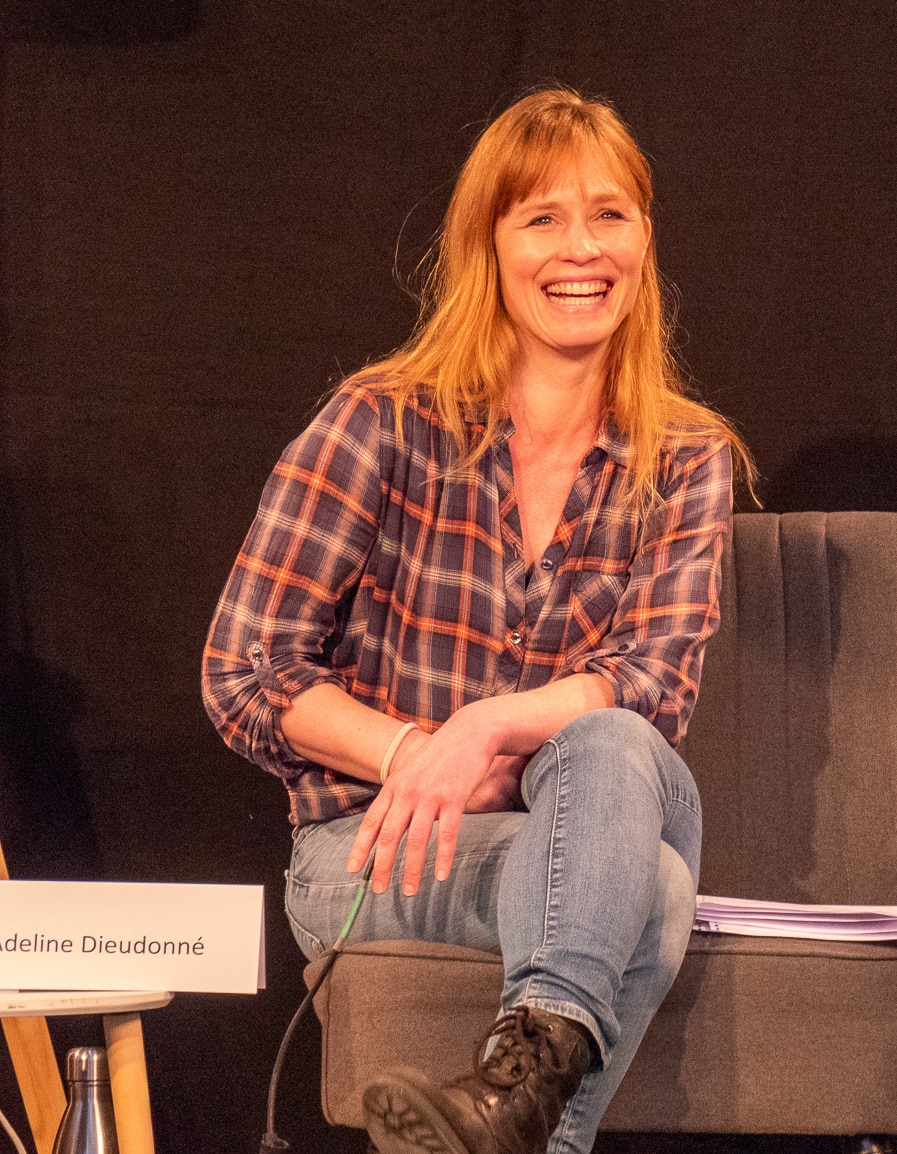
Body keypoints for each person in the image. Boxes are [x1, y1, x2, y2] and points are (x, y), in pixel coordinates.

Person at [202, 89, 749, 1154]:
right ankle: (522, 1115)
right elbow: (244, 669)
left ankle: (505, 1093)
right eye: (541, 217)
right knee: (660, 885)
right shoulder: (378, 420)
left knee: (611, 740)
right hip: (374, 851)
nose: (579, 247)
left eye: (610, 214)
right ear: (487, 245)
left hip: (597, 808)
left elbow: (655, 681)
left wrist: (486, 726)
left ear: (645, 238)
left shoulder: (686, 457)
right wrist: (413, 749)